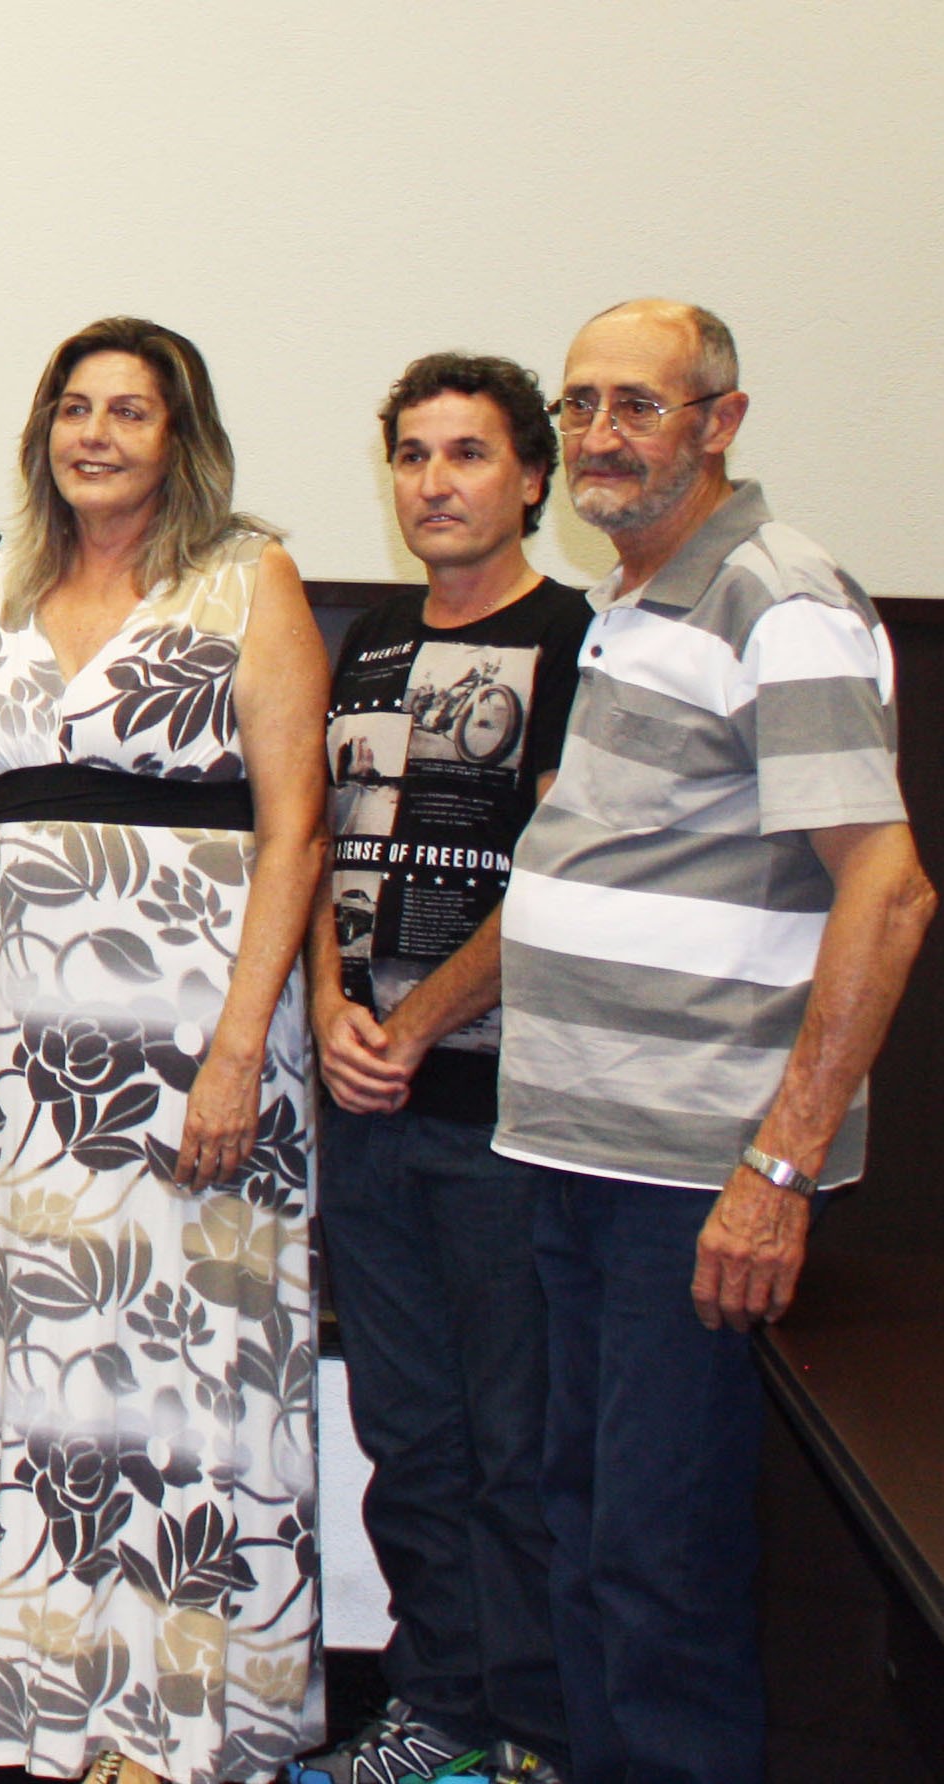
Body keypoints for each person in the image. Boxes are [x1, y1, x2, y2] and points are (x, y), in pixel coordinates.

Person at [498, 300, 931, 1784]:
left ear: (721, 424)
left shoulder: (778, 598)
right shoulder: (636, 598)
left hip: (693, 1181)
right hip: (576, 1149)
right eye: (581, 406)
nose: (603, 436)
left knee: (660, 1572)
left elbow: (888, 888)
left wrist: (781, 1166)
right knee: (587, 1537)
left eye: (642, 405)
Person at [0, 317, 330, 1784]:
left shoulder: (247, 578)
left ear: (179, 436)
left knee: (190, 1375)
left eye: (129, 413)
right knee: (46, 1370)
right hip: (28, 1070)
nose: (95, 434)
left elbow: (295, 828)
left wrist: (237, 1050)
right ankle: (34, 1689)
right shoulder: (8, 585)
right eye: (73, 409)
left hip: (200, 1052)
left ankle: (181, 1715)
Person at [295, 353, 585, 1784]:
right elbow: (322, 854)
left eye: (467, 454)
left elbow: (557, 882)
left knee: (517, 1447)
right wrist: (337, 1006)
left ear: (530, 476)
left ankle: (537, 1732)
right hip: (366, 1114)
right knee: (408, 1438)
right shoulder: (368, 644)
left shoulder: (578, 639)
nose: (435, 482)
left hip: (502, 1120)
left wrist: (414, 1030)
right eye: (413, 455)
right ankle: (440, 1714)